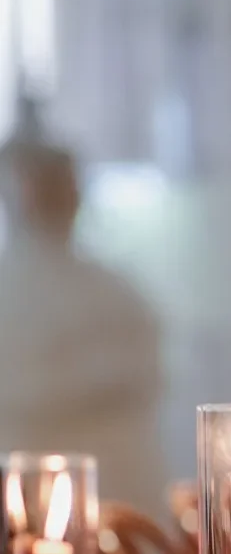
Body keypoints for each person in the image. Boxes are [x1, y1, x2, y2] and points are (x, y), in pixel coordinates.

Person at [0, 113, 167, 515]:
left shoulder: (113, 285)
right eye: (47, 184)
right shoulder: (12, 288)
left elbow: (149, 367)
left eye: (65, 183)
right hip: (36, 471)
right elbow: (21, 388)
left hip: (121, 472)